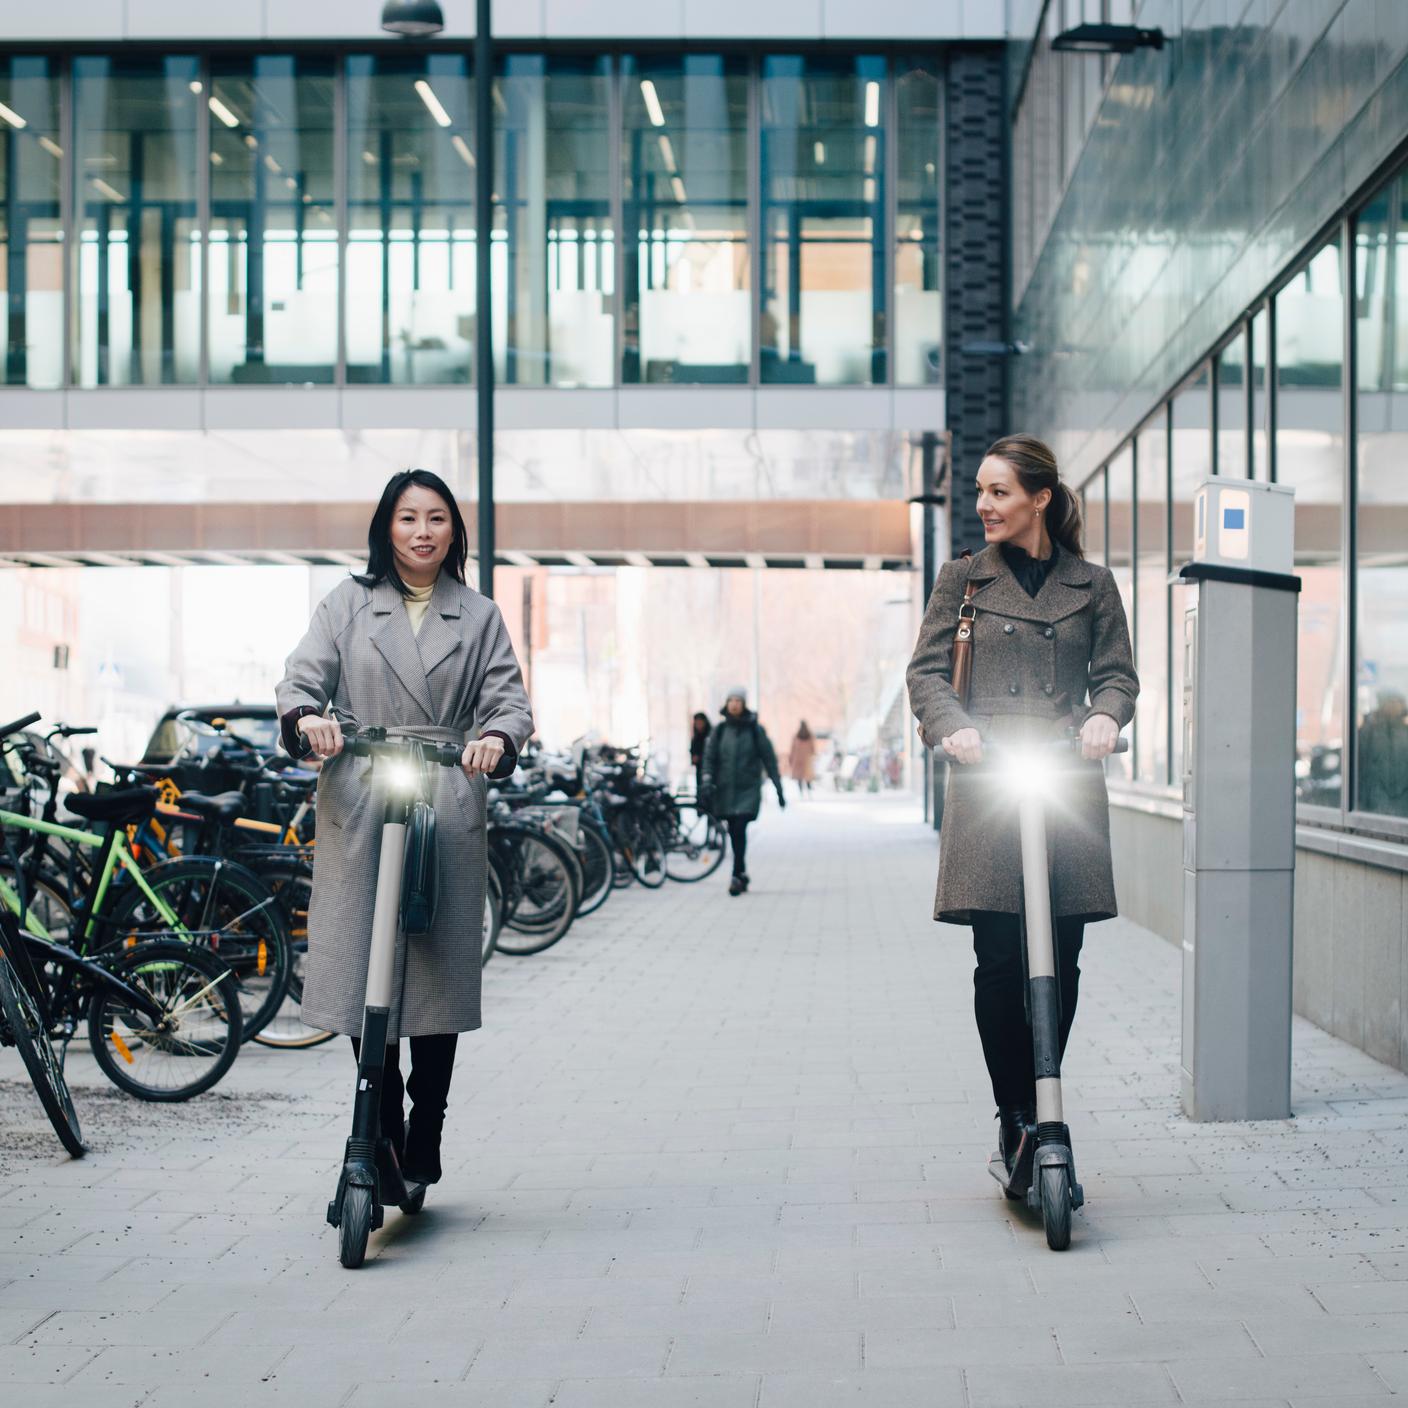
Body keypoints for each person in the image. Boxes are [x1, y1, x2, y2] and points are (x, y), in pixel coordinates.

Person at [275, 468, 534, 1187]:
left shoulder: (478, 615)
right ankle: (380, 1121)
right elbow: (299, 682)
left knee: (436, 975)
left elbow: (509, 705)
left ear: (455, 531)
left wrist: (496, 743)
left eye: (437, 519)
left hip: (442, 794)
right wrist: (311, 721)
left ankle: (429, 1122)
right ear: (385, 528)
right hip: (360, 793)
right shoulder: (347, 603)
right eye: (408, 518)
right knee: (361, 965)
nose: (422, 532)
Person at [905, 433, 1137, 1176]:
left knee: (1062, 958)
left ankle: (1045, 1106)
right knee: (1001, 959)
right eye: (979, 491)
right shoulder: (963, 580)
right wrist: (957, 728)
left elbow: (1119, 678)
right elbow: (926, 674)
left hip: (1064, 779)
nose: (984, 505)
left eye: (1000, 492)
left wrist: (1104, 717)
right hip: (988, 782)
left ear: (1040, 497)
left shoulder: (1092, 584)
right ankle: (1014, 1116)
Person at [700, 687, 785, 897]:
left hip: (748, 789)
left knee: (739, 827)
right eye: (731, 700)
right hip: (725, 789)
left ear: (744, 704)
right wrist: (707, 779)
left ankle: (737, 874)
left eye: (738, 700)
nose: (734, 704)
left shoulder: (755, 730)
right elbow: (709, 759)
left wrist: (778, 788)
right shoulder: (719, 731)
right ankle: (741, 872)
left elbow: (769, 759)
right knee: (734, 830)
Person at [1359, 689, 1408, 817]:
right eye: (1392, 701)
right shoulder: (1368, 731)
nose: (1397, 705)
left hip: (1403, 801)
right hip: (1375, 801)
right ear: (1383, 704)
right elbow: (1359, 765)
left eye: (1399, 702)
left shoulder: (1405, 731)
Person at [788, 720, 817, 798]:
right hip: (806, 759)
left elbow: (793, 748)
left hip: (798, 760)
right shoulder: (810, 736)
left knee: (799, 778)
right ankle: (809, 792)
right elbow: (813, 749)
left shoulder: (796, 736)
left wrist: (791, 758)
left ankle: (801, 793)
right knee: (807, 778)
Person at [689, 711, 712, 798]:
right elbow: (693, 751)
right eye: (697, 723)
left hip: (709, 770)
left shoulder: (711, 736)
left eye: (700, 722)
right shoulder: (696, 737)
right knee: (700, 792)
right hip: (699, 769)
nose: (699, 725)